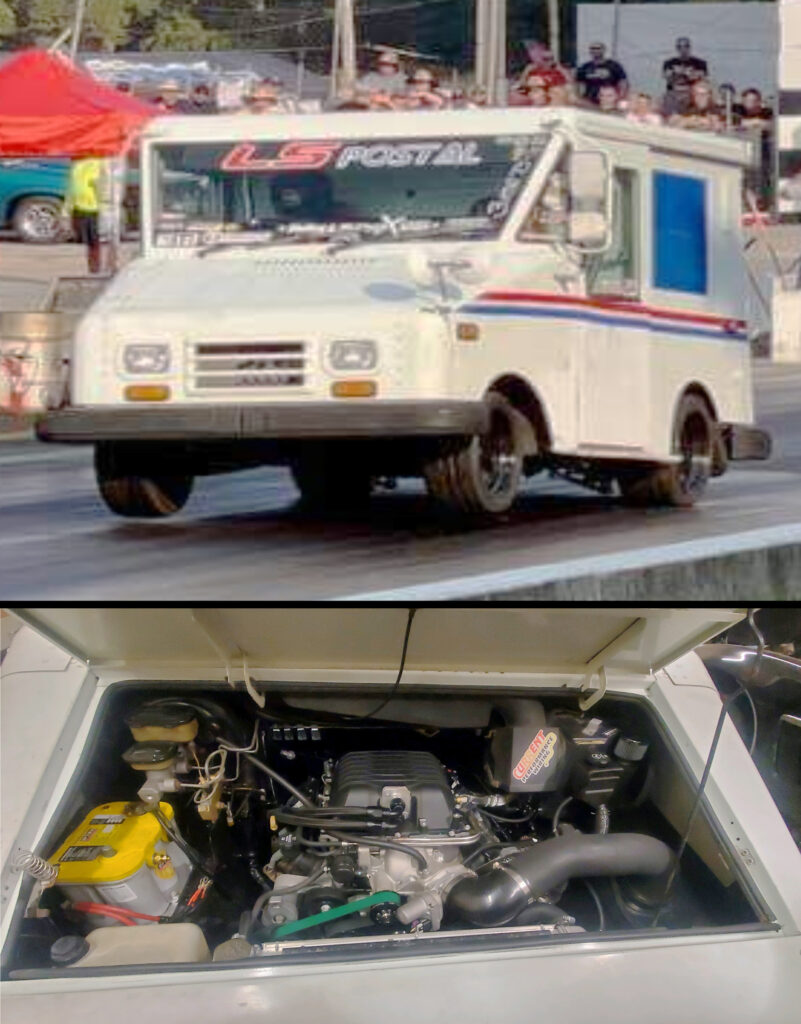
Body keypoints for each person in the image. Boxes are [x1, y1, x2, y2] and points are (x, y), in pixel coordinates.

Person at [63, 156, 103, 274]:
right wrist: (66, 209)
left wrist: (104, 206)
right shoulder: (75, 166)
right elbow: (71, 189)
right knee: (89, 242)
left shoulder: (97, 162)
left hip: (94, 209)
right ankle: (92, 269)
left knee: (95, 242)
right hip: (80, 208)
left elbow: (100, 185)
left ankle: (97, 268)